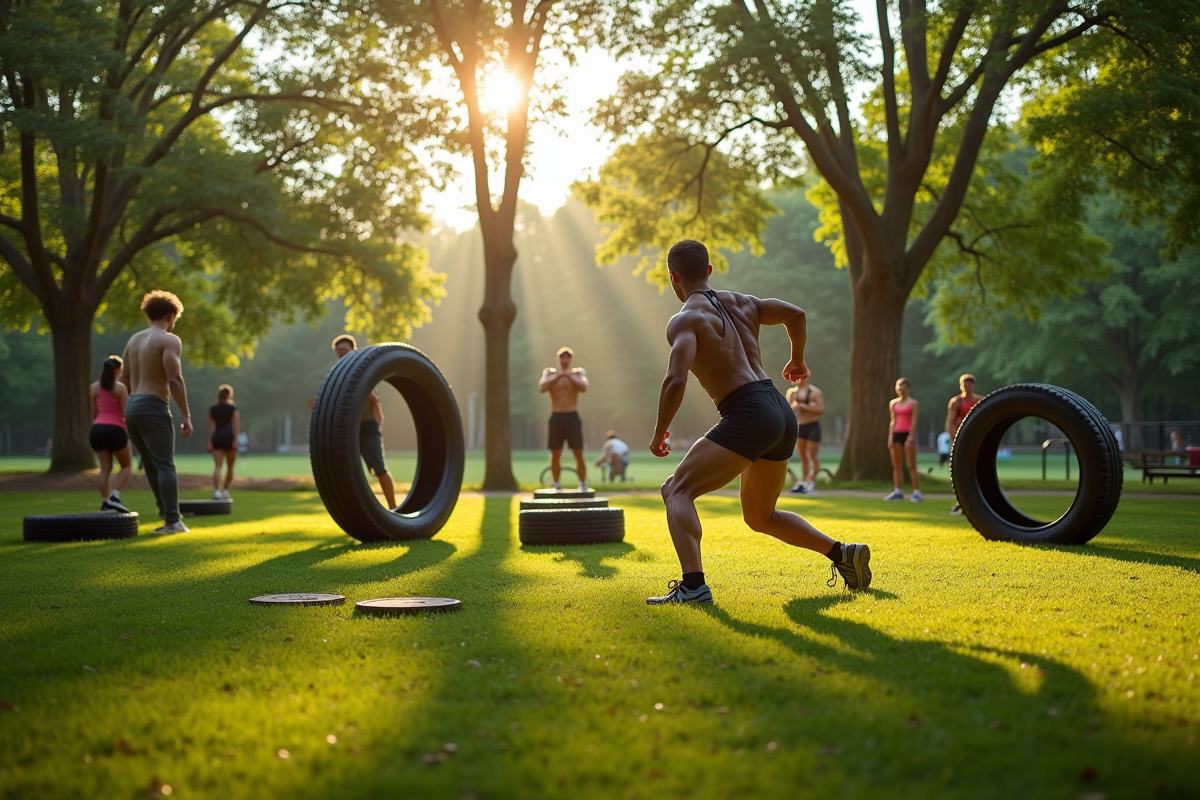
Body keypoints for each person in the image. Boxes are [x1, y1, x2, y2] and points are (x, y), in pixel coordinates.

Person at [647, 239, 872, 605]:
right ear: (708, 271)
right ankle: (842, 554)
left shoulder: (685, 319)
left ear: (673, 277)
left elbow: (675, 378)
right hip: (780, 412)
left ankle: (693, 587)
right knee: (760, 515)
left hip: (748, 411)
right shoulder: (744, 303)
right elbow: (795, 314)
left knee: (676, 490)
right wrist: (797, 359)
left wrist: (659, 432)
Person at [120, 290, 192, 534]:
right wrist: (187, 415)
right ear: (171, 315)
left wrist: (130, 408)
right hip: (153, 405)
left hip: (132, 406)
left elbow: (125, 380)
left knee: (151, 463)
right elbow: (174, 379)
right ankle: (173, 521)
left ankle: (166, 511)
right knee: (165, 464)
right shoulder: (169, 340)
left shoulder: (134, 340)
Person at [331, 335, 397, 508]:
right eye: (339, 351)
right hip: (345, 430)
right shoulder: (337, 376)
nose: (341, 353)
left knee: (379, 469)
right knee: (347, 473)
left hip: (367, 428)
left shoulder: (362, 372)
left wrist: (378, 422)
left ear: (353, 350)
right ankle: (354, 510)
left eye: (345, 350)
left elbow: (375, 401)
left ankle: (394, 507)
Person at [538, 346, 589, 491]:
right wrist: (559, 376)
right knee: (555, 452)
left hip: (572, 416)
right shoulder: (549, 373)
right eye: (562, 357)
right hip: (556, 416)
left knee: (578, 451)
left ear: (571, 359)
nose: (564, 360)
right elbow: (542, 387)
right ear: (558, 359)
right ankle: (556, 482)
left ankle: (582, 483)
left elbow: (584, 387)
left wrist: (569, 376)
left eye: (567, 357)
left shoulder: (578, 373)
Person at [89, 355, 132, 513]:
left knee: (105, 468)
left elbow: (94, 414)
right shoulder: (120, 388)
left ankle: (105, 502)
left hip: (96, 430)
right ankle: (115, 496)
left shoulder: (94, 387)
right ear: (116, 370)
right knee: (126, 466)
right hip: (115, 429)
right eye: (120, 370)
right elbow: (125, 413)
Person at [945, 373, 983, 514]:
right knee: (959, 471)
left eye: (970, 384)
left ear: (973, 385)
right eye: (964, 384)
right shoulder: (956, 402)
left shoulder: (980, 401)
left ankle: (979, 501)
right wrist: (956, 439)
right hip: (960, 440)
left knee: (977, 470)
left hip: (976, 439)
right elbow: (950, 424)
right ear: (961, 386)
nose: (967, 387)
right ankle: (960, 501)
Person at [884, 379, 921, 502]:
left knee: (911, 465)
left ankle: (916, 492)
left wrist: (911, 437)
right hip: (896, 434)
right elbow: (892, 421)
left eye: (903, 387)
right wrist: (890, 437)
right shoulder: (893, 403)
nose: (901, 389)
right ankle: (898, 491)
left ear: (908, 389)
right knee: (897, 465)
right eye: (899, 387)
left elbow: (914, 421)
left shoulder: (913, 403)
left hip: (907, 434)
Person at [786, 376, 824, 494]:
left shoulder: (814, 392)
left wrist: (805, 407)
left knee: (812, 454)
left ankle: (813, 481)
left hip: (813, 425)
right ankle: (804, 481)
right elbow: (790, 410)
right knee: (803, 456)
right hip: (801, 426)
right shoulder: (792, 393)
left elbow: (820, 409)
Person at [206, 384, 240, 500]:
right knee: (230, 467)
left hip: (217, 437)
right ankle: (225, 491)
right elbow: (236, 425)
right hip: (229, 437)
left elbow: (209, 426)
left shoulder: (213, 409)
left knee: (218, 466)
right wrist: (236, 440)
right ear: (230, 395)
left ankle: (216, 491)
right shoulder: (233, 409)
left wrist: (209, 441)